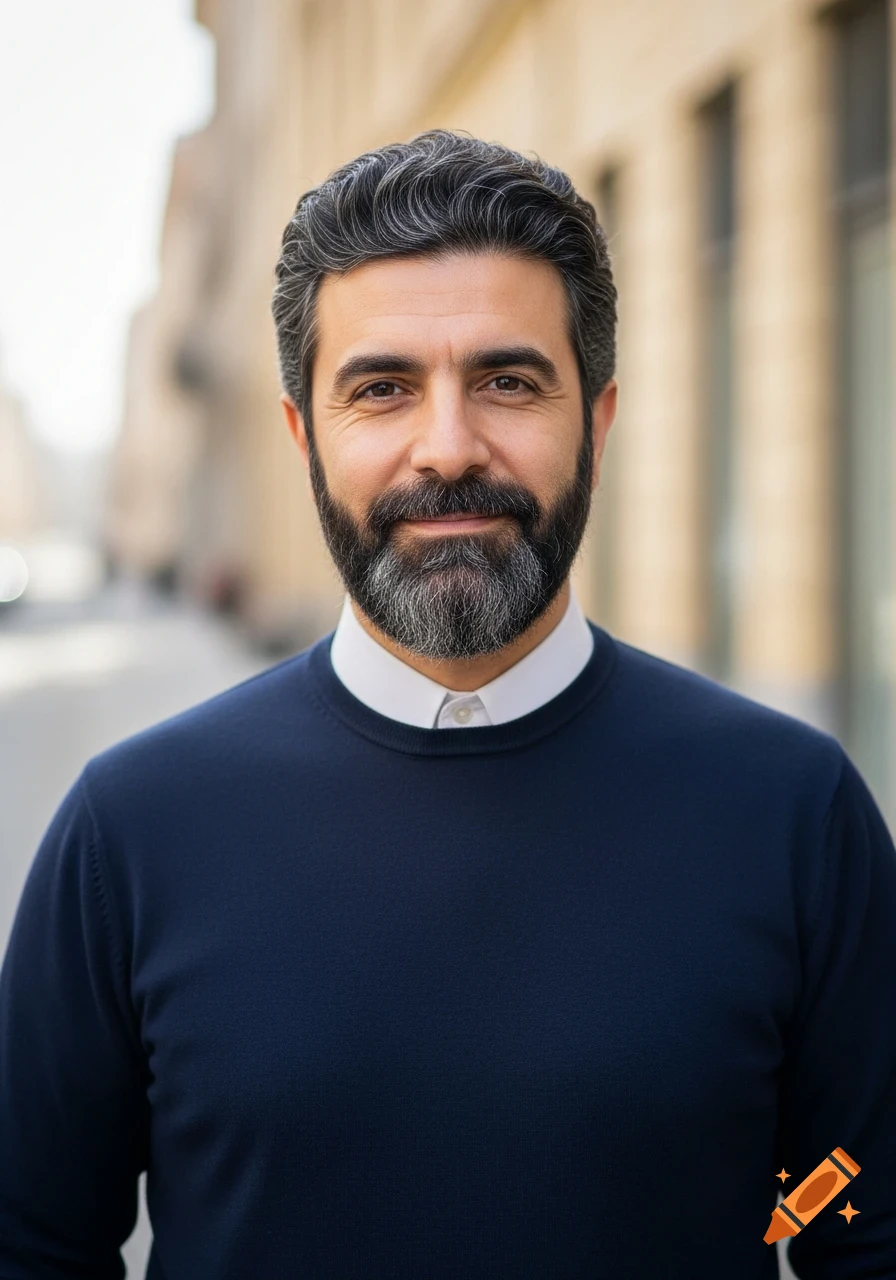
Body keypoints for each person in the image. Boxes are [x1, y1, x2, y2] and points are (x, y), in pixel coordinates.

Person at [1, 130, 894, 1280]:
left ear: (599, 419)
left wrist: (773, 1215)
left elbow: (852, 1216)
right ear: (302, 437)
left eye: (507, 381)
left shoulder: (791, 814)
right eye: (381, 389)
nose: (448, 447)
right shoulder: (128, 830)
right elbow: (33, 1245)